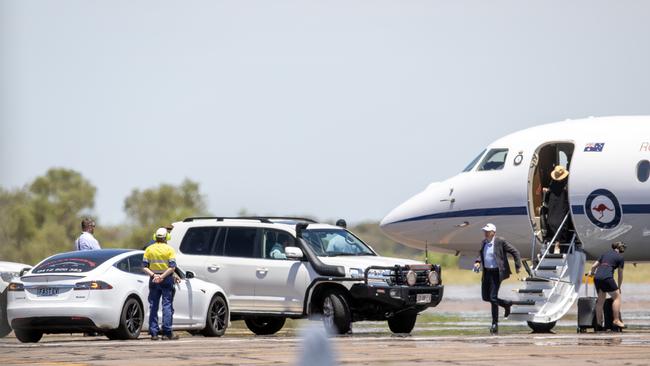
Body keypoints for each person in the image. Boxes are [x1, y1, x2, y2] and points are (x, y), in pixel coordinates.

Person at [473, 223, 522, 334]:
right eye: (484, 231)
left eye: (488, 231)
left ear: (493, 232)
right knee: (486, 297)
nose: (485, 233)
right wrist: (477, 262)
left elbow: (515, 252)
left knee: (493, 297)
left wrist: (518, 266)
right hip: (487, 273)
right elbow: (480, 254)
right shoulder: (484, 242)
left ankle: (494, 324)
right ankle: (506, 304)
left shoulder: (500, 241)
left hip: (497, 273)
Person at [143, 227, 178, 340]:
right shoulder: (169, 249)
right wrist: (162, 277)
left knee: (153, 305)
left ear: (155, 237)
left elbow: (144, 267)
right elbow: (172, 267)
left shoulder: (149, 249)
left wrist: (154, 276)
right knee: (166, 305)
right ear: (166, 237)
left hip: (153, 279)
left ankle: (153, 333)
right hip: (166, 278)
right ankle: (167, 332)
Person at [588, 241, 626, 330]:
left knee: (600, 300)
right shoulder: (620, 258)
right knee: (617, 297)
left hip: (597, 278)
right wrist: (619, 287)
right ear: (621, 248)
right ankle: (616, 320)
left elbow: (594, 266)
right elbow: (620, 275)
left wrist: (592, 273)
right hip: (607, 278)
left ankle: (599, 324)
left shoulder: (604, 254)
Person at [543, 165, 571, 249]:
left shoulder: (554, 183)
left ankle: (556, 243)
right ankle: (556, 242)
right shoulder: (564, 183)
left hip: (558, 205)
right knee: (555, 221)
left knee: (556, 221)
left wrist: (547, 191)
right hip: (559, 205)